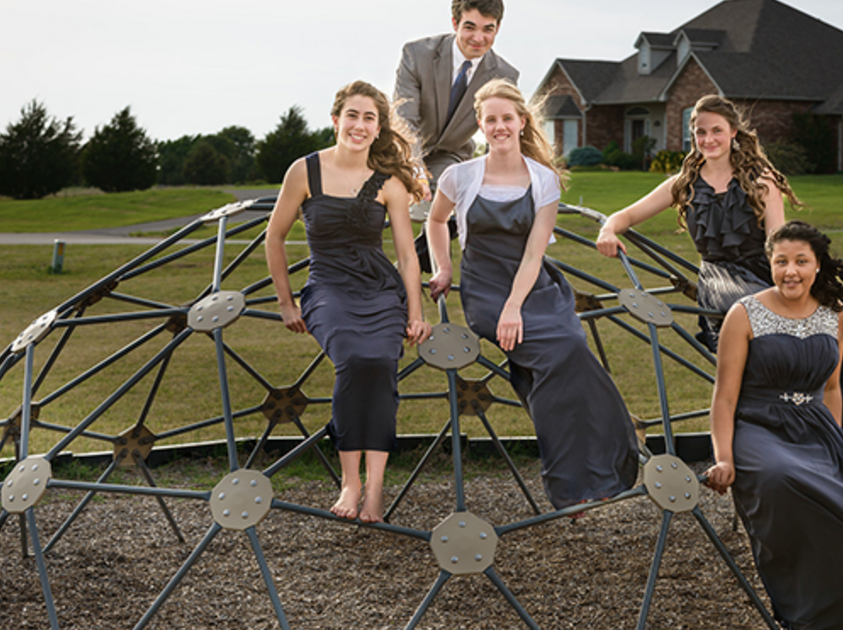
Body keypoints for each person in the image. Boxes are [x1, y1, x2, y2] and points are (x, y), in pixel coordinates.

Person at [704, 221, 843, 629]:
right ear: (769, 264)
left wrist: (837, 443)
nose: (790, 271)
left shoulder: (835, 316)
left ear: (817, 265)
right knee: (782, 478)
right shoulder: (743, 314)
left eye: (801, 261)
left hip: (817, 429)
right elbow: (724, 397)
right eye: (781, 262)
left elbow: (831, 389)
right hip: (759, 428)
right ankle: (810, 614)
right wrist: (724, 458)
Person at [425, 79, 638, 509]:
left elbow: (534, 254)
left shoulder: (544, 180)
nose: (499, 126)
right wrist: (444, 267)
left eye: (507, 118)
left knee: (571, 346)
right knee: (553, 355)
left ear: (522, 122)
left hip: (533, 286)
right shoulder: (459, 175)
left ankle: (603, 465)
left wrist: (515, 307)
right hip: (485, 289)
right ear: (480, 126)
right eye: (491, 120)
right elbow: (434, 222)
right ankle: (579, 478)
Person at [265, 81, 431, 523]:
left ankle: (375, 487)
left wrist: (415, 312)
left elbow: (407, 257)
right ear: (335, 119)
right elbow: (275, 237)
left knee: (379, 363)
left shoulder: (390, 183)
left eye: (369, 118)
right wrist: (286, 303)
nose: (359, 125)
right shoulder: (304, 171)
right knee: (355, 359)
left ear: (378, 129)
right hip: (328, 288)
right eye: (352, 116)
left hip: (379, 289)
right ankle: (350, 480)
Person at [595, 95, 802, 352]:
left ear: (733, 132)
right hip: (719, 280)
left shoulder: (761, 180)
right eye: (700, 132)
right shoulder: (683, 184)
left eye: (717, 131)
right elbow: (625, 216)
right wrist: (607, 230)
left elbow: (779, 247)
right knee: (754, 326)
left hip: (763, 274)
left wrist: (790, 286)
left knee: (805, 334)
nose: (708, 139)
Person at [394, 0, 519, 220]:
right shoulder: (417, 55)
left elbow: (506, 133)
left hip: (450, 156)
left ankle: (424, 255)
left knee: (455, 207)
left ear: (497, 28)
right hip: (403, 151)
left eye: (488, 29)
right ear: (455, 23)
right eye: (470, 27)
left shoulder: (505, 76)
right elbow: (405, 120)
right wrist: (415, 169)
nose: (478, 38)